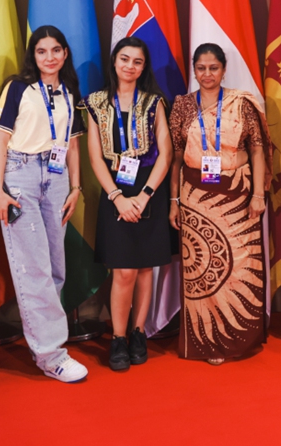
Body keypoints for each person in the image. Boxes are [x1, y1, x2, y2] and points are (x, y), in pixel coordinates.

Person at [0, 25, 89, 384]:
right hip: (21, 173)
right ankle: (51, 355)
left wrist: (76, 187)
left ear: (65, 54)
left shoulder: (69, 91)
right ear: (33, 55)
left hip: (58, 175)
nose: (49, 57)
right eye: (42, 51)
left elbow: (73, 143)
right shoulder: (19, 88)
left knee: (55, 267)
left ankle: (44, 342)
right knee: (32, 266)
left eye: (56, 50)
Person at [168, 43, 271, 364]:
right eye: (201, 68)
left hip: (237, 193)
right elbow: (174, 158)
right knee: (204, 269)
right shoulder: (183, 106)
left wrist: (257, 195)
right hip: (195, 196)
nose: (207, 74)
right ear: (194, 71)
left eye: (213, 68)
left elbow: (257, 149)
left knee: (238, 267)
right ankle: (205, 341)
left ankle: (238, 339)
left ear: (224, 69)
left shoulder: (242, 104)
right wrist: (174, 201)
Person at [87, 36, 173, 371]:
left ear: (143, 67)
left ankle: (139, 332)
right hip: (114, 190)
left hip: (149, 186)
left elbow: (166, 153)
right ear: (114, 62)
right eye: (124, 59)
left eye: (137, 62)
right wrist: (118, 199)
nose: (130, 66)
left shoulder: (154, 102)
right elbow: (95, 158)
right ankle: (118, 338)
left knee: (145, 268)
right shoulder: (94, 102)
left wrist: (145, 194)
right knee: (123, 271)